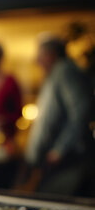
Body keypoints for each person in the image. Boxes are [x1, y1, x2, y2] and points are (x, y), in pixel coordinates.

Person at [24, 35, 94, 195]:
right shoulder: (55, 74)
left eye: (40, 55)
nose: (37, 60)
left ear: (51, 54)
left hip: (68, 161)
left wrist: (60, 149)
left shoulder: (65, 70)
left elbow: (81, 110)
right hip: (57, 162)